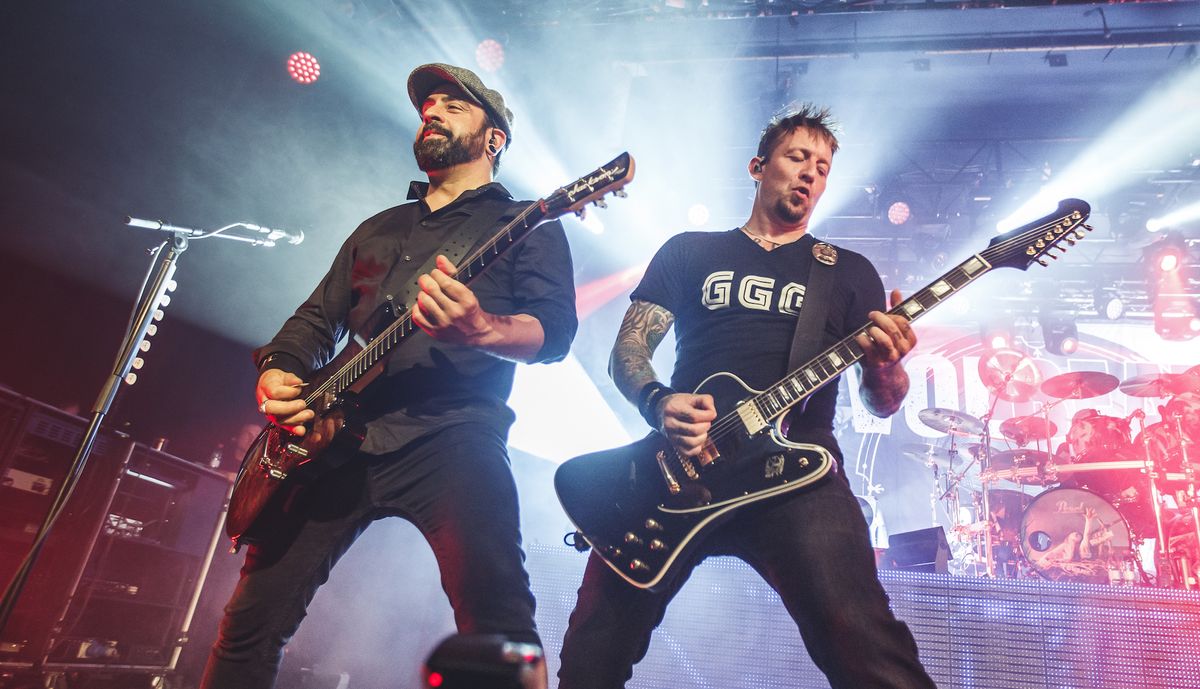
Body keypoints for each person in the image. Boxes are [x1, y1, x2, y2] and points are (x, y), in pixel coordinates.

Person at [200, 63, 577, 689]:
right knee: (247, 625)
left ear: (494, 139)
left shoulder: (524, 225)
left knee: (498, 621)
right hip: (336, 441)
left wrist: (482, 329)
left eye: (453, 106)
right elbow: (310, 325)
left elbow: (555, 334)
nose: (431, 110)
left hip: (453, 433)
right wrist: (277, 376)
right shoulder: (377, 230)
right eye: (428, 104)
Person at [557, 105, 935, 688]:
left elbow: (881, 402)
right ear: (759, 166)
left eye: (823, 166)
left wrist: (887, 367)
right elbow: (627, 351)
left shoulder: (849, 272)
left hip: (799, 473)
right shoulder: (690, 251)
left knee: (868, 649)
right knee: (592, 653)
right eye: (797, 157)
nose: (810, 172)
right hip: (676, 471)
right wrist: (659, 403)